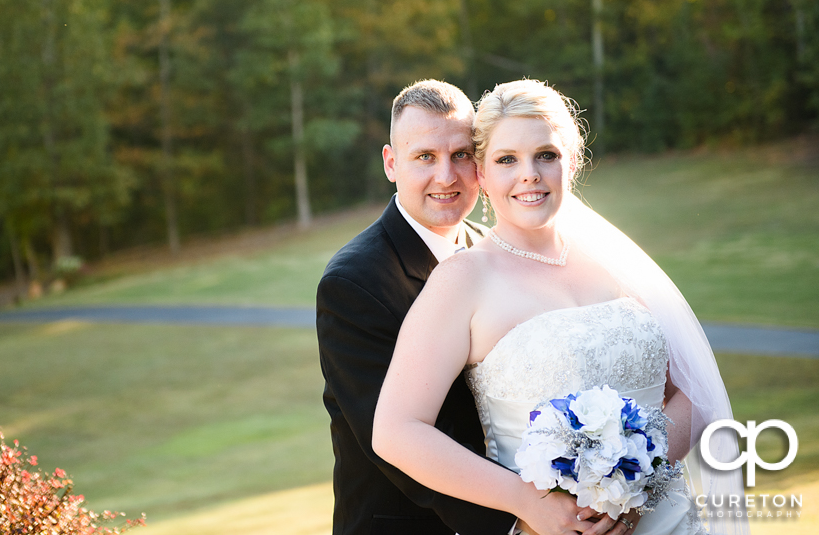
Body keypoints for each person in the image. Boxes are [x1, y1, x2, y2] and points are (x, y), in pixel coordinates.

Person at [371, 80, 745, 535]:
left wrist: (634, 482)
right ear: (481, 174)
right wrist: (524, 502)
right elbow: (396, 431)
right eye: (507, 159)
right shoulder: (461, 280)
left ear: (571, 161)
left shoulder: (618, 265)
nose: (529, 174)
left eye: (546, 155)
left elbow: (692, 391)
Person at [317, 80, 615, 535]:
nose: (447, 176)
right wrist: (524, 517)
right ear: (391, 163)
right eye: (425, 158)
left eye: (460, 155)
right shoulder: (355, 283)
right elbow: (393, 445)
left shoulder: (493, 251)